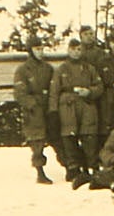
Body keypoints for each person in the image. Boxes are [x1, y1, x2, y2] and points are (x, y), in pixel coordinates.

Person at [50, 35, 103, 177]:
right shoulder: (61, 70)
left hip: (86, 104)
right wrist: (53, 111)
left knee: (89, 136)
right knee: (69, 136)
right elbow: (54, 92)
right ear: (68, 50)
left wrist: (90, 91)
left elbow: (99, 86)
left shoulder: (89, 69)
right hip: (68, 106)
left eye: (79, 49)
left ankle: (91, 166)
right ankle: (73, 167)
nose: (76, 52)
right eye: (73, 49)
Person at [12, 41, 56, 182]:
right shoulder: (23, 70)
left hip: (48, 106)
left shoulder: (48, 68)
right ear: (31, 51)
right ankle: (40, 171)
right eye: (37, 49)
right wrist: (32, 105)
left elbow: (55, 87)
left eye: (42, 49)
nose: (40, 52)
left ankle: (71, 168)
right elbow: (20, 93)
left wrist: (53, 105)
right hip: (34, 110)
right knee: (37, 141)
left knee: (58, 137)